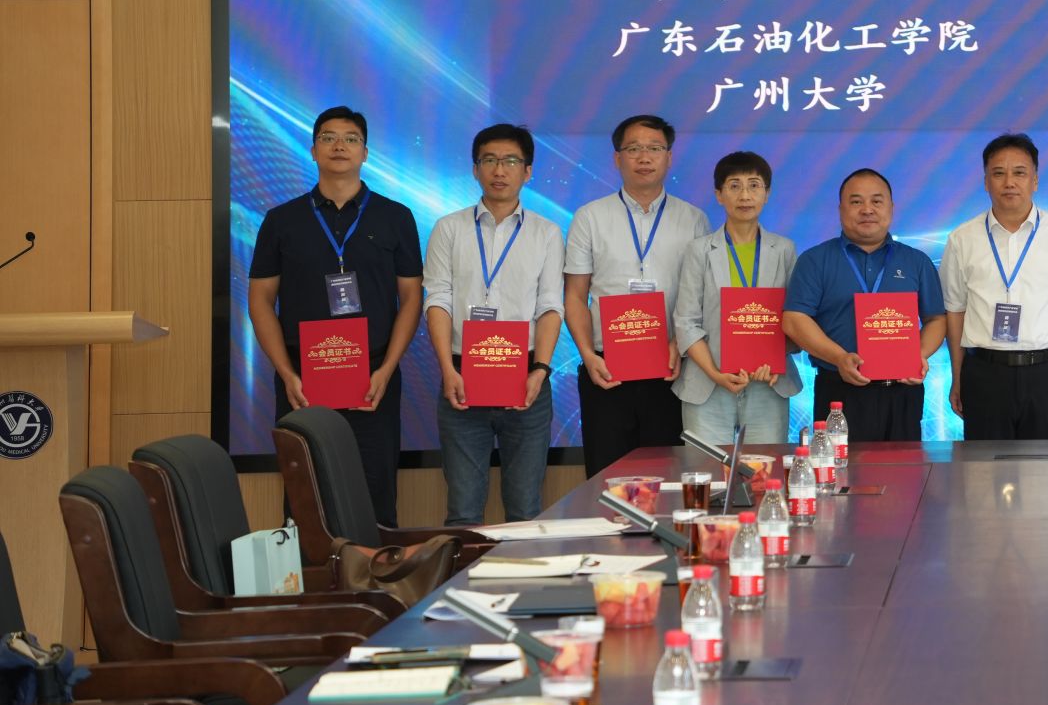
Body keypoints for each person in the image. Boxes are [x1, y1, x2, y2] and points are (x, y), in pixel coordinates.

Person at [247, 105, 422, 527]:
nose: (339, 146)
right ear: (313, 150)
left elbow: (411, 297)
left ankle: (374, 571)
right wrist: (286, 373)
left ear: (365, 153)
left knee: (376, 494)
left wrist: (387, 369)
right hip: (303, 380)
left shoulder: (396, 217)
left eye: (350, 138)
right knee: (305, 498)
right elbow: (260, 300)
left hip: (374, 378)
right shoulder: (281, 220)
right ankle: (311, 573)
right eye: (328, 137)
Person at [424, 124, 564, 526]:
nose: (499, 170)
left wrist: (541, 370)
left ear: (528, 171)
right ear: (475, 169)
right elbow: (437, 300)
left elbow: (550, 306)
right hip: (461, 379)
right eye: (489, 160)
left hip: (526, 379)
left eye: (510, 161)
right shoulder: (449, 228)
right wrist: (447, 370)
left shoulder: (547, 232)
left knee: (525, 510)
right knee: (463, 512)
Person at [562, 114, 708, 476]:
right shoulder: (590, 217)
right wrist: (587, 356)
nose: (644, 157)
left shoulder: (694, 220)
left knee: (669, 478)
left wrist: (679, 343)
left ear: (669, 157)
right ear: (617, 158)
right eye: (634, 149)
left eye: (654, 148)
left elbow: (702, 298)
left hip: (671, 369)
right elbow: (575, 296)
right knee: (607, 479)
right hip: (607, 370)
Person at [942, 133, 1048, 441]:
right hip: (984, 375)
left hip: (1047, 374)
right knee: (983, 469)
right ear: (986, 182)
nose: (1009, 182)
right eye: (998, 173)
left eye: (1019, 173)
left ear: (1034, 180)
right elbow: (955, 313)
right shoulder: (962, 239)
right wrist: (957, 376)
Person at [784, 168, 945, 441]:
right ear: (841, 209)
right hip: (838, 389)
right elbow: (794, 319)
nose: (867, 209)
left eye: (876, 201)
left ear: (891, 208)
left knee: (905, 466)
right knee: (839, 466)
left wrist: (917, 355)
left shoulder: (916, 262)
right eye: (856, 201)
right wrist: (839, 358)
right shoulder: (815, 260)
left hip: (902, 390)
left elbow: (936, 319)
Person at [674, 151, 800, 444]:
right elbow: (686, 321)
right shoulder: (699, 250)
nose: (745, 195)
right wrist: (715, 373)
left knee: (763, 468)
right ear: (719, 195)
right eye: (734, 186)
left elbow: (796, 319)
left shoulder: (784, 249)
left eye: (754, 185)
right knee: (705, 469)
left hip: (768, 384)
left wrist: (776, 358)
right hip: (708, 384)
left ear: (767, 193)